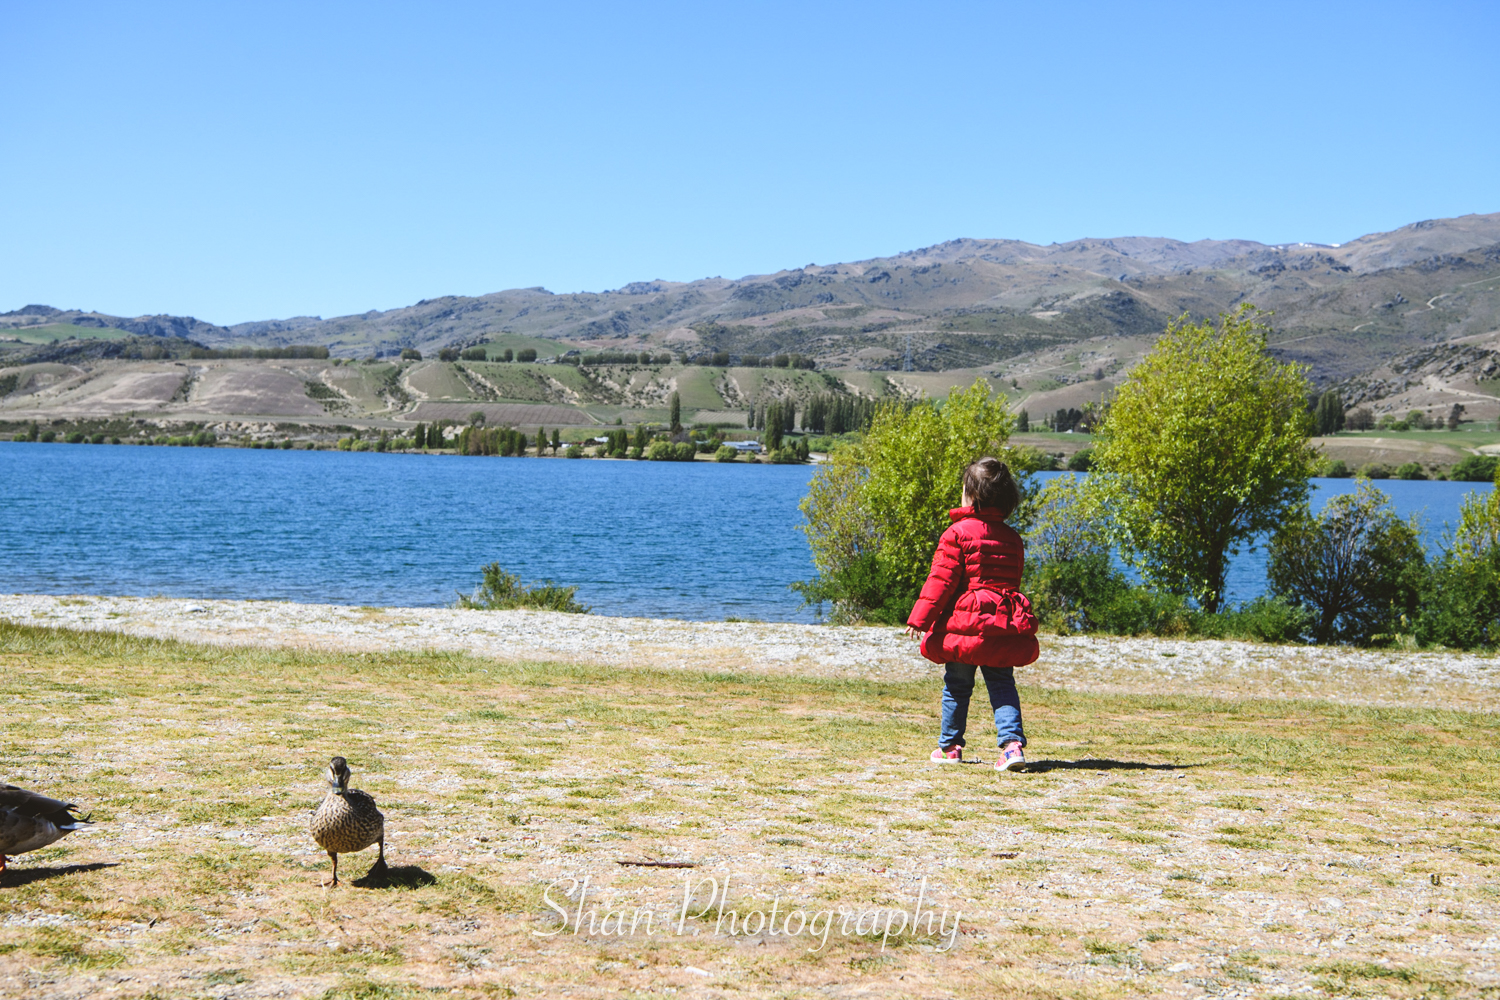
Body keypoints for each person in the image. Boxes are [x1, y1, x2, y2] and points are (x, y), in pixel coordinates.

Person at [904, 457, 1039, 772]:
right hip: (1001, 625)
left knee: (956, 686)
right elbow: (1012, 583)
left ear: (972, 496)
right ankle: (1012, 746)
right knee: (1002, 684)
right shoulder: (1012, 538)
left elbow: (941, 581)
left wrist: (919, 619)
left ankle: (950, 747)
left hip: (964, 626)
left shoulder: (956, 533)